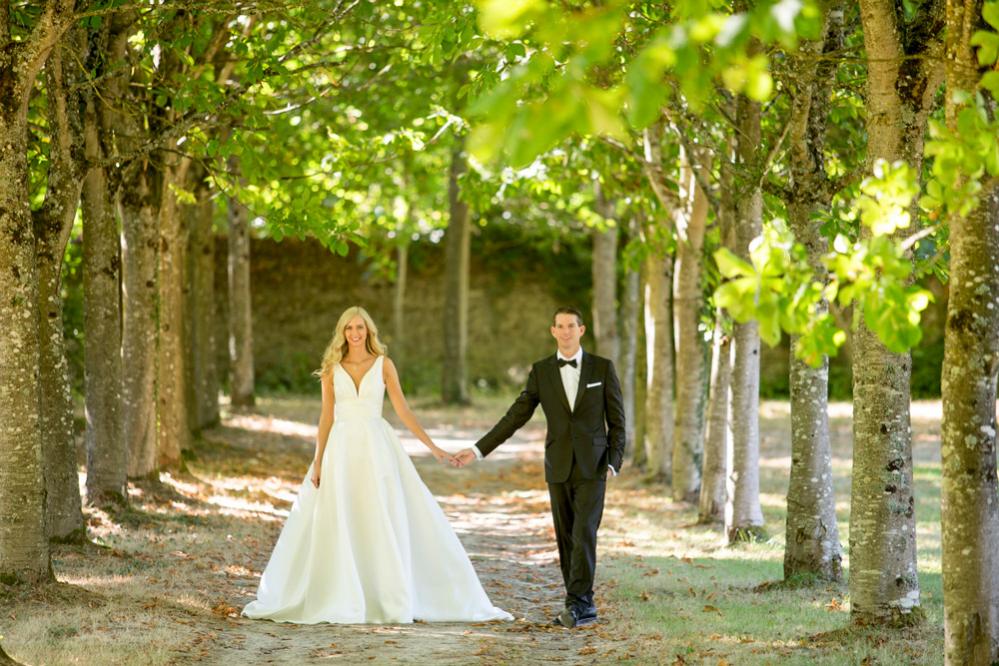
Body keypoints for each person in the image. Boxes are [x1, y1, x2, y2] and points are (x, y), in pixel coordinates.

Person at [242, 306, 511, 624]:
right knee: (343, 514)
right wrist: (318, 461)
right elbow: (326, 417)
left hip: (376, 447)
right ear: (342, 332)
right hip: (341, 449)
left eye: (360, 327)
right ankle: (344, 593)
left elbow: (403, 410)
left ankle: (386, 596)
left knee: (378, 513)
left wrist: (434, 449)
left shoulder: (384, 364)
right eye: (349, 328)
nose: (354, 333)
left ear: (369, 331)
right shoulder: (331, 368)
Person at [453, 307, 625, 628]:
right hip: (558, 465)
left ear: (581, 330)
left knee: (584, 532)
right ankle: (581, 603)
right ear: (553, 331)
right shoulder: (542, 371)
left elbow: (617, 420)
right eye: (560, 326)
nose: (566, 331)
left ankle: (578, 603)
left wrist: (614, 462)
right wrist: (478, 450)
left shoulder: (602, 368)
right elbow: (515, 416)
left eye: (571, 326)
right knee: (566, 537)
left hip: (594, 466)